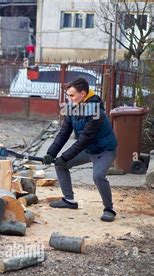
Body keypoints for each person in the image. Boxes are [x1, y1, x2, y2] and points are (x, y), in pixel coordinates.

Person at [43, 77, 118, 222]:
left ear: (83, 94)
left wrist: (64, 156)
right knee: (60, 165)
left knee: (98, 176)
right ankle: (69, 200)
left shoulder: (96, 111)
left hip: (104, 150)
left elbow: (85, 138)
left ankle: (109, 209)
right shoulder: (72, 108)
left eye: (72, 95)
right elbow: (64, 133)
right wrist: (50, 153)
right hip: (88, 149)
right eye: (68, 96)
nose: (69, 99)